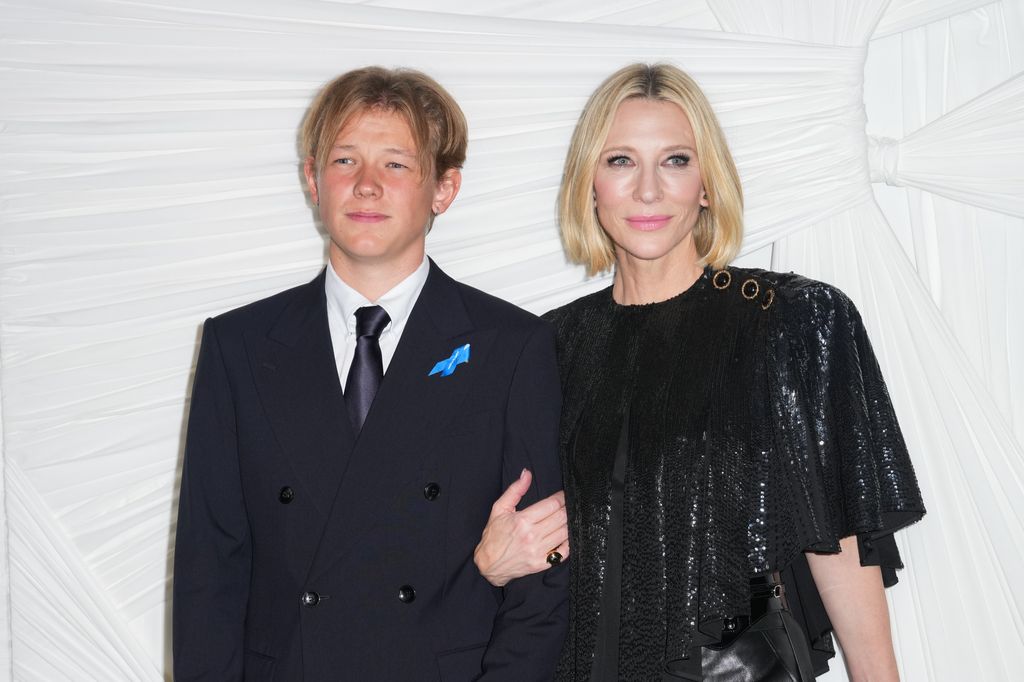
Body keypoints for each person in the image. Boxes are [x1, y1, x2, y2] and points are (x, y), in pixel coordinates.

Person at [473, 63, 925, 681]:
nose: (649, 190)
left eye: (677, 160)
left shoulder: (789, 322)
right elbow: (518, 533)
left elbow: (839, 541)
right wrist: (491, 564)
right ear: (589, 186)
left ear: (708, 183)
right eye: (621, 161)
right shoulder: (549, 346)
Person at [173, 66, 568, 681]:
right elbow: (209, 575)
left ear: (444, 188)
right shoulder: (239, 345)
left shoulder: (511, 347)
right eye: (344, 161)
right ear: (312, 180)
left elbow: (543, 581)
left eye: (396, 165)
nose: (366, 186)